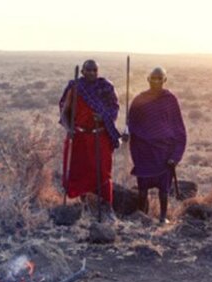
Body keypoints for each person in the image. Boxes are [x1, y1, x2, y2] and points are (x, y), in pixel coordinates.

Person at [59, 59, 121, 221]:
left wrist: (102, 116)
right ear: (82, 72)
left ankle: (107, 208)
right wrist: (68, 128)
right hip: (79, 136)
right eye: (89, 70)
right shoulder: (75, 88)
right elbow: (64, 112)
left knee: (102, 172)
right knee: (80, 171)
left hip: (100, 137)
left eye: (95, 70)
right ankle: (86, 207)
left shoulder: (105, 88)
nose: (92, 73)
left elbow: (114, 109)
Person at [126, 67, 187, 224]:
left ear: (164, 80)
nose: (156, 81)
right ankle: (141, 216)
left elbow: (178, 128)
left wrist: (175, 156)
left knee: (164, 189)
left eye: (159, 78)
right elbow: (131, 123)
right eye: (153, 78)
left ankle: (162, 217)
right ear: (148, 79)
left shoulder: (170, 100)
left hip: (164, 151)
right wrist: (127, 133)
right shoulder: (140, 99)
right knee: (142, 188)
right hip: (143, 150)